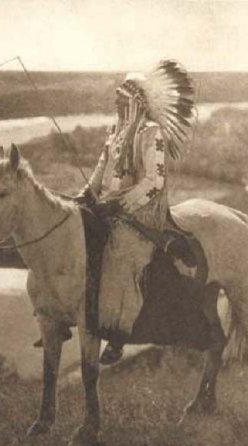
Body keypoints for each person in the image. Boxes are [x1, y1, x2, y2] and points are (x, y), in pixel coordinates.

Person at [78, 60, 194, 364]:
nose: (117, 103)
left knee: (120, 253)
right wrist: (86, 194)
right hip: (110, 203)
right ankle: (67, 313)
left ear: (136, 102)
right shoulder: (114, 130)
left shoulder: (152, 133)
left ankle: (117, 334)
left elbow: (154, 181)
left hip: (142, 210)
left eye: (122, 99)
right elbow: (101, 167)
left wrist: (120, 203)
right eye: (117, 98)